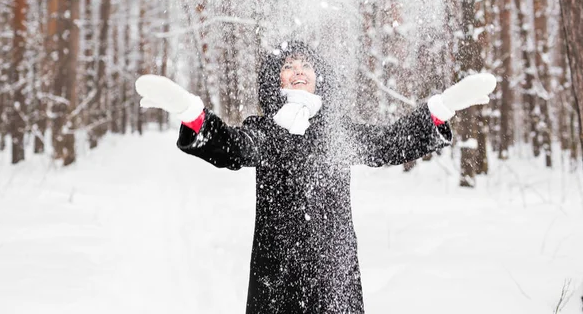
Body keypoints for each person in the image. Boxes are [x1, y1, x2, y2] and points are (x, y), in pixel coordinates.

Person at [135, 41, 496, 314]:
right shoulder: (267, 130)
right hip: (277, 274)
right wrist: (193, 113)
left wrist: (441, 109)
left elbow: (388, 144)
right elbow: (232, 146)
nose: (298, 71)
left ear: (318, 77)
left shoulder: (336, 132)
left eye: (306, 65)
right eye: (288, 65)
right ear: (274, 78)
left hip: (334, 273)